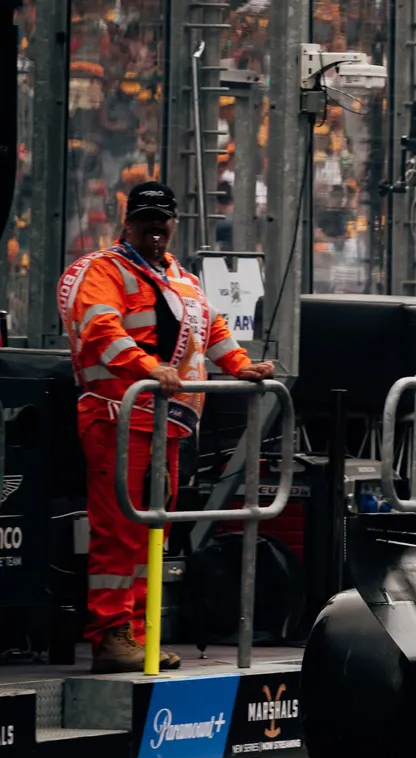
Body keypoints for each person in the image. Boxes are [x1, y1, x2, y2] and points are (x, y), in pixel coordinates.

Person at [60, 181, 275, 673]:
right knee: (120, 532)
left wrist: (241, 364)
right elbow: (100, 331)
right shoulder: (103, 270)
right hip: (118, 418)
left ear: (174, 223)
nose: (155, 227)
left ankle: (136, 632)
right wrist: (147, 367)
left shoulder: (179, 276)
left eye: (163, 218)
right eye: (145, 218)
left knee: (151, 532)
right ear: (127, 222)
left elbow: (212, 329)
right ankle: (111, 633)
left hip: (165, 426)